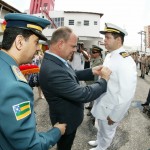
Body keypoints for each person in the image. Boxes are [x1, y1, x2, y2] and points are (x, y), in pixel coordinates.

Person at [0, 13, 66, 150]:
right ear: (19, 42)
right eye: (36, 42)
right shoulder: (15, 87)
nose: (38, 48)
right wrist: (56, 131)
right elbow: (29, 145)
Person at [39, 26, 112, 150]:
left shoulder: (58, 60)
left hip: (69, 118)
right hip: (65, 122)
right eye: (73, 46)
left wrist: (91, 71)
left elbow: (72, 75)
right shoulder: (52, 69)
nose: (75, 49)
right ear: (61, 44)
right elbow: (83, 94)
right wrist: (104, 80)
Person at [88, 23, 137, 150]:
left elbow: (127, 93)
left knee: (107, 131)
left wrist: (116, 115)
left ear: (119, 40)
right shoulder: (110, 55)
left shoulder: (125, 61)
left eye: (108, 37)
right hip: (103, 101)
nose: (104, 41)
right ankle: (99, 141)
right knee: (100, 126)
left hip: (112, 107)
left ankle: (102, 147)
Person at [85, 45, 104, 117]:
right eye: (92, 52)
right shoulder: (94, 60)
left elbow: (94, 72)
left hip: (95, 81)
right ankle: (90, 106)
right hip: (92, 80)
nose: (92, 53)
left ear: (98, 53)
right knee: (91, 96)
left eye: (94, 52)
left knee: (93, 97)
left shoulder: (99, 61)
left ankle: (92, 111)